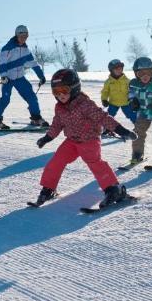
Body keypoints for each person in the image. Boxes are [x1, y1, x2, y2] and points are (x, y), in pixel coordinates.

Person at [32, 68, 136, 207]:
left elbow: (103, 117)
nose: (60, 95)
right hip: (71, 141)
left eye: (64, 90)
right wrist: (47, 137)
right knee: (56, 161)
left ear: (74, 88)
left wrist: (120, 130)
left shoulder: (85, 104)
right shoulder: (60, 107)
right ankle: (48, 189)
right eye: (56, 92)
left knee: (95, 163)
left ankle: (113, 189)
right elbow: (57, 124)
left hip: (89, 140)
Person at [0, 25, 48, 129]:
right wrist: (4, 76)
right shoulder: (8, 48)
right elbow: (2, 62)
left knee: (32, 97)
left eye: (26, 36)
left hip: (20, 78)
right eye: (22, 36)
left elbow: (33, 63)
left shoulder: (25, 50)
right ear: (17, 35)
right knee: (5, 99)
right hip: (8, 78)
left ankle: (36, 118)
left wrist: (41, 76)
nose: (24, 39)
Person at [99, 58, 137, 137]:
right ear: (111, 70)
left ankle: (138, 126)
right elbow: (105, 92)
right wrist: (104, 99)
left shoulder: (127, 81)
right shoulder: (108, 82)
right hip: (113, 103)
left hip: (126, 102)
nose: (119, 70)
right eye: (116, 69)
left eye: (120, 68)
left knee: (131, 114)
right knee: (109, 116)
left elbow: (132, 91)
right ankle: (107, 129)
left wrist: (134, 99)